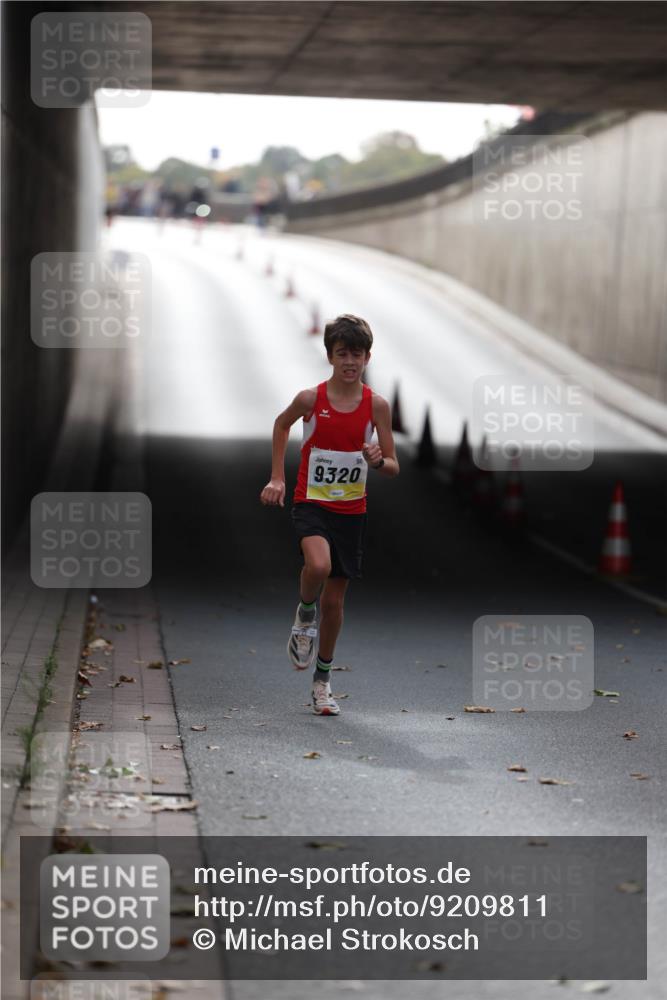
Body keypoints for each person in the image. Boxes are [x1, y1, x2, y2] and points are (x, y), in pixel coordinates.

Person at [260, 315, 399, 715]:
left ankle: (322, 681)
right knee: (317, 566)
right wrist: (277, 479)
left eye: (357, 354)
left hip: (351, 510)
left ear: (368, 357)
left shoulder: (377, 406)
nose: (350, 361)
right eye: (342, 354)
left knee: (335, 605)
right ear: (330, 356)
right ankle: (304, 616)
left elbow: (393, 464)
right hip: (312, 502)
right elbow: (280, 425)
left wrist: (378, 460)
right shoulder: (311, 400)